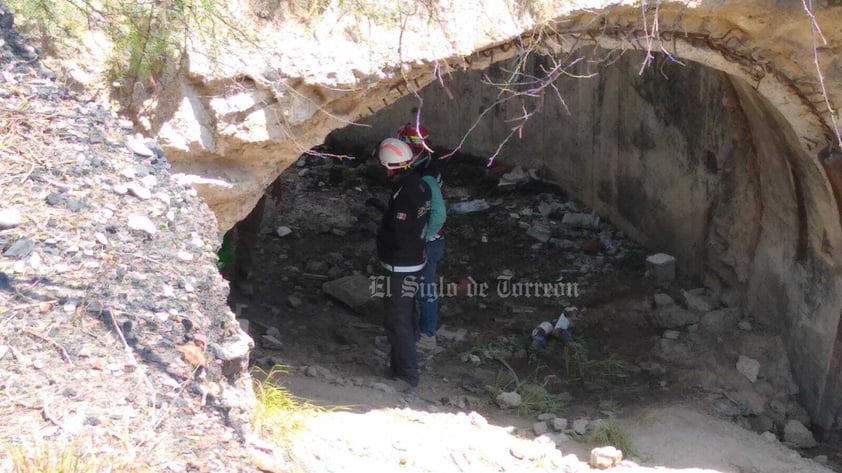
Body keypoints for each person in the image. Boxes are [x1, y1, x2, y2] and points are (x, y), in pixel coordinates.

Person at [369, 137, 432, 391]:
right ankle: (398, 369)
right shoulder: (421, 187)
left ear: (391, 167)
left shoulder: (404, 194)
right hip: (415, 263)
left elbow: (398, 231)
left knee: (398, 320)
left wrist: (380, 237)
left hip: (400, 267)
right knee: (405, 316)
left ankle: (407, 375)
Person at [397, 123, 446, 353]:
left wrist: (424, 238)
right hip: (427, 238)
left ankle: (427, 336)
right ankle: (417, 330)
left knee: (424, 289)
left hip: (428, 242)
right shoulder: (423, 168)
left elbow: (439, 214)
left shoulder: (426, 176)